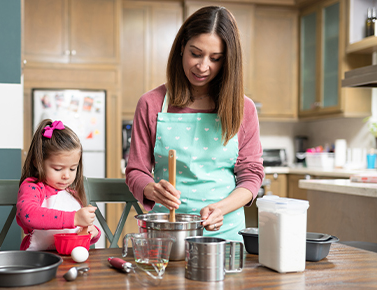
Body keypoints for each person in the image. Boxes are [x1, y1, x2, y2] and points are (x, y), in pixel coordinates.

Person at [125, 6, 264, 242]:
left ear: (228, 61)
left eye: (215, 59)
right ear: (182, 47)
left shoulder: (243, 108)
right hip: (166, 233)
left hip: (225, 234)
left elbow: (251, 175)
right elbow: (136, 171)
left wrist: (222, 208)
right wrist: (152, 190)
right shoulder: (151, 103)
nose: (202, 66)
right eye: (196, 53)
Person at [17, 119, 101, 251]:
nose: (66, 176)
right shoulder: (33, 187)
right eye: (57, 169)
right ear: (37, 162)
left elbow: (76, 230)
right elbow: (29, 215)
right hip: (36, 259)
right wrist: (74, 218)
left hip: (68, 258)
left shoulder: (71, 193)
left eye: (73, 169)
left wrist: (92, 231)